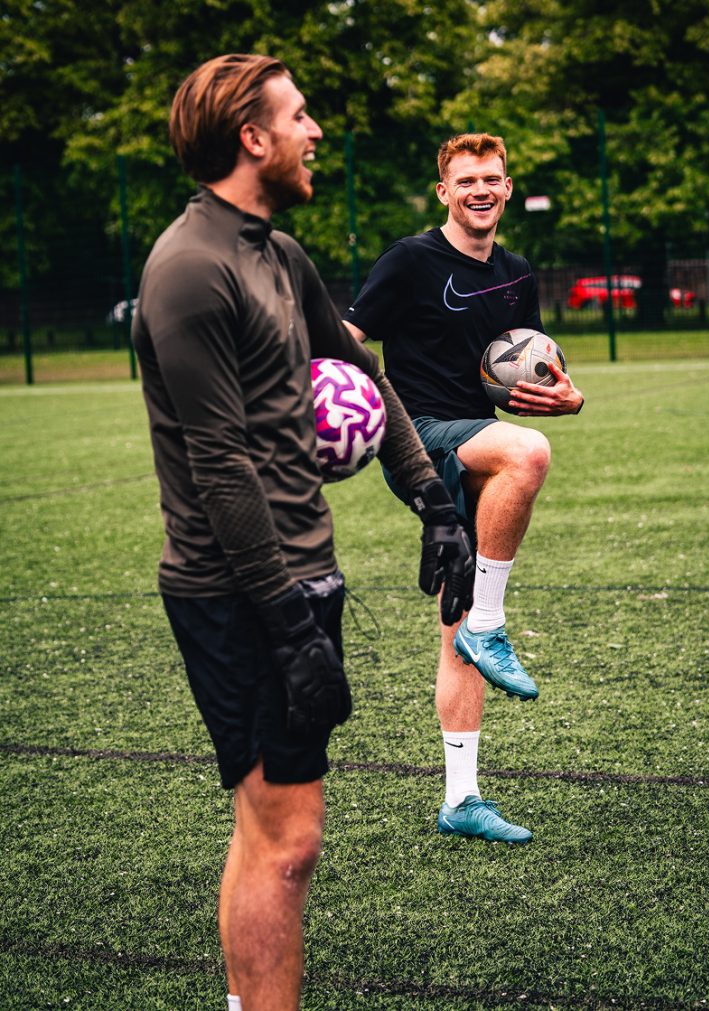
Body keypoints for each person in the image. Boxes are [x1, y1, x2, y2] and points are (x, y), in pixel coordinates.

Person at [131, 55, 473, 1011]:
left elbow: (362, 372)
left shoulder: (279, 255)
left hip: (298, 575)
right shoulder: (189, 269)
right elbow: (219, 462)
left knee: (278, 834)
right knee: (286, 841)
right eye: (299, 114)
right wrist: (283, 621)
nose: (314, 130)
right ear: (251, 136)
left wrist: (434, 503)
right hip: (235, 589)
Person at [344, 132, 584, 845]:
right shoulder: (411, 261)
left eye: (493, 178)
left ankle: (462, 797)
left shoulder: (516, 272)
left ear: (508, 189)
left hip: (478, 440)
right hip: (417, 435)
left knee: (456, 623)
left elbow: (518, 379)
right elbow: (350, 336)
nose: (481, 189)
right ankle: (491, 622)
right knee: (530, 455)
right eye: (466, 179)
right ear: (444, 191)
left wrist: (564, 398)